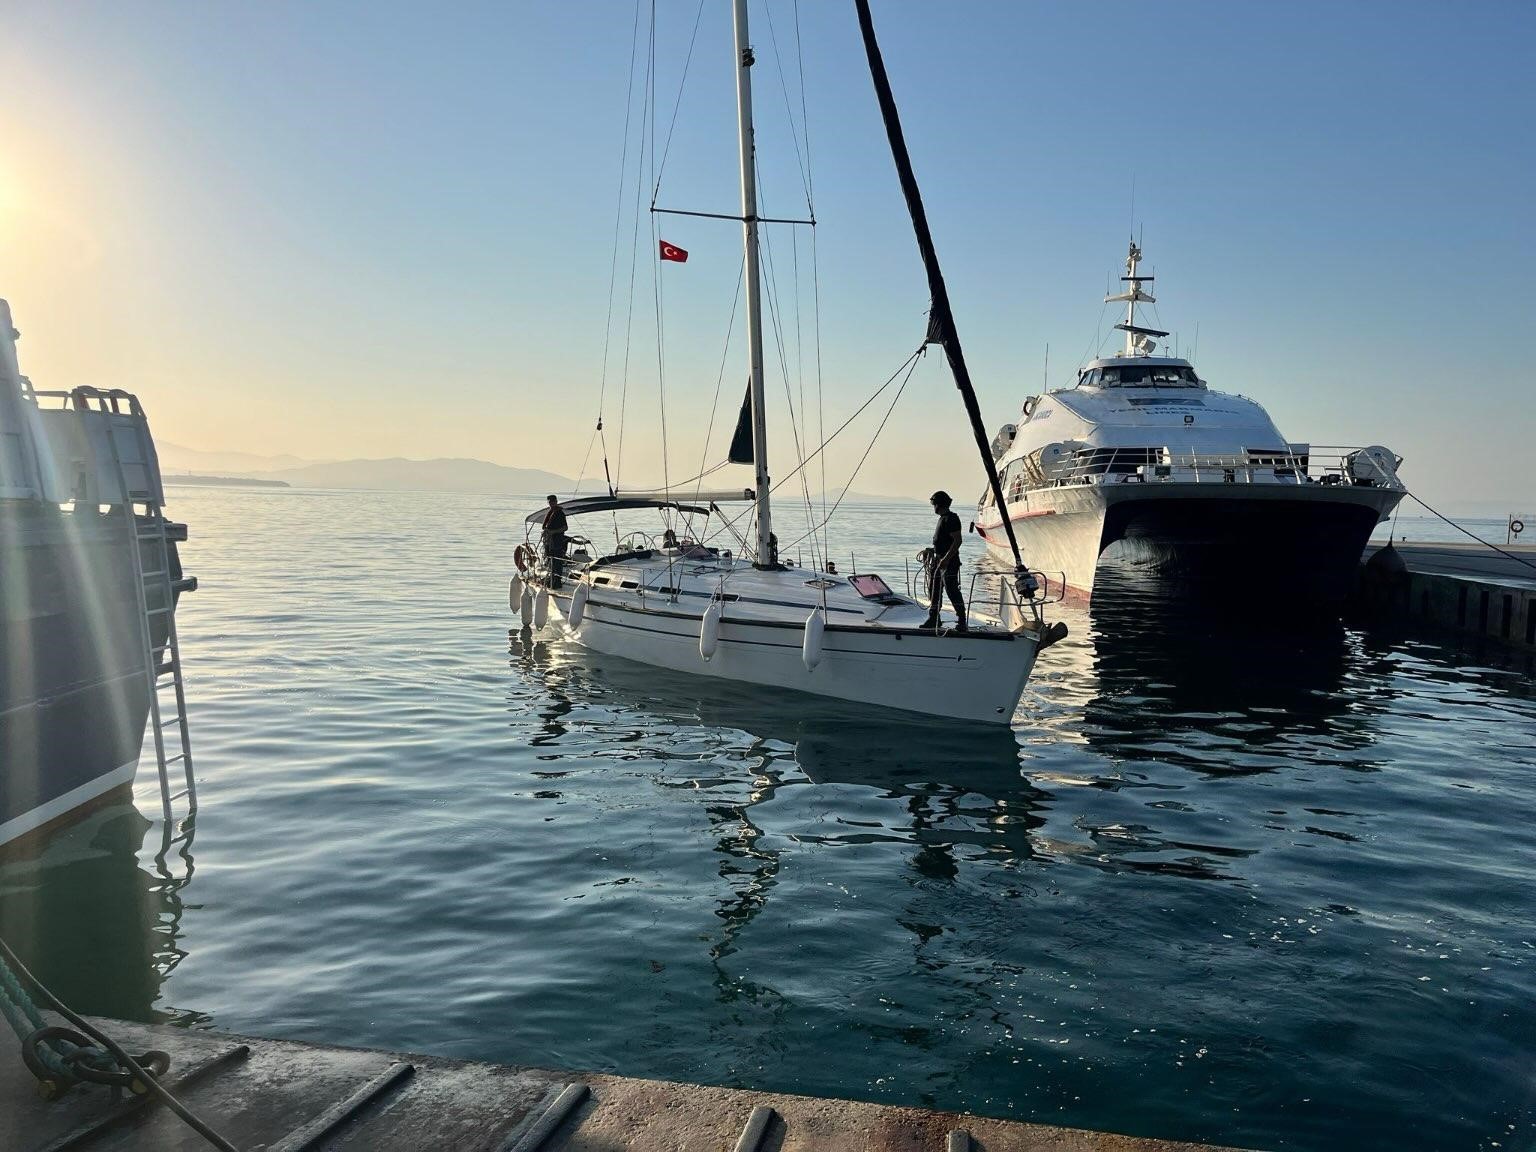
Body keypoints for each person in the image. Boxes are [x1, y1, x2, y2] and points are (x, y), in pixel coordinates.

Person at [921, 490, 966, 632]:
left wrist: (946, 559)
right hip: (938, 560)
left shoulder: (951, 519)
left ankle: (962, 620)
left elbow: (957, 541)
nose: (933, 507)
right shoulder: (942, 518)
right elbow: (944, 542)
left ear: (938, 504)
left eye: (933, 504)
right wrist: (932, 550)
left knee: (952, 590)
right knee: (934, 589)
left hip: (949, 562)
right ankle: (934, 617)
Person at [541, 494, 568, 589]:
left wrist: (553, 532)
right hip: (549, 542)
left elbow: (565, 527)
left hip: (557, 542)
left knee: (557, 562)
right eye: (549, 502)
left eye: (553, 502)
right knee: (550, 561)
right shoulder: (550, 512)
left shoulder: (560, 513)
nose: (551, 504)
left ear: (556, 502)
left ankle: (557, 581)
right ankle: (552, 579)